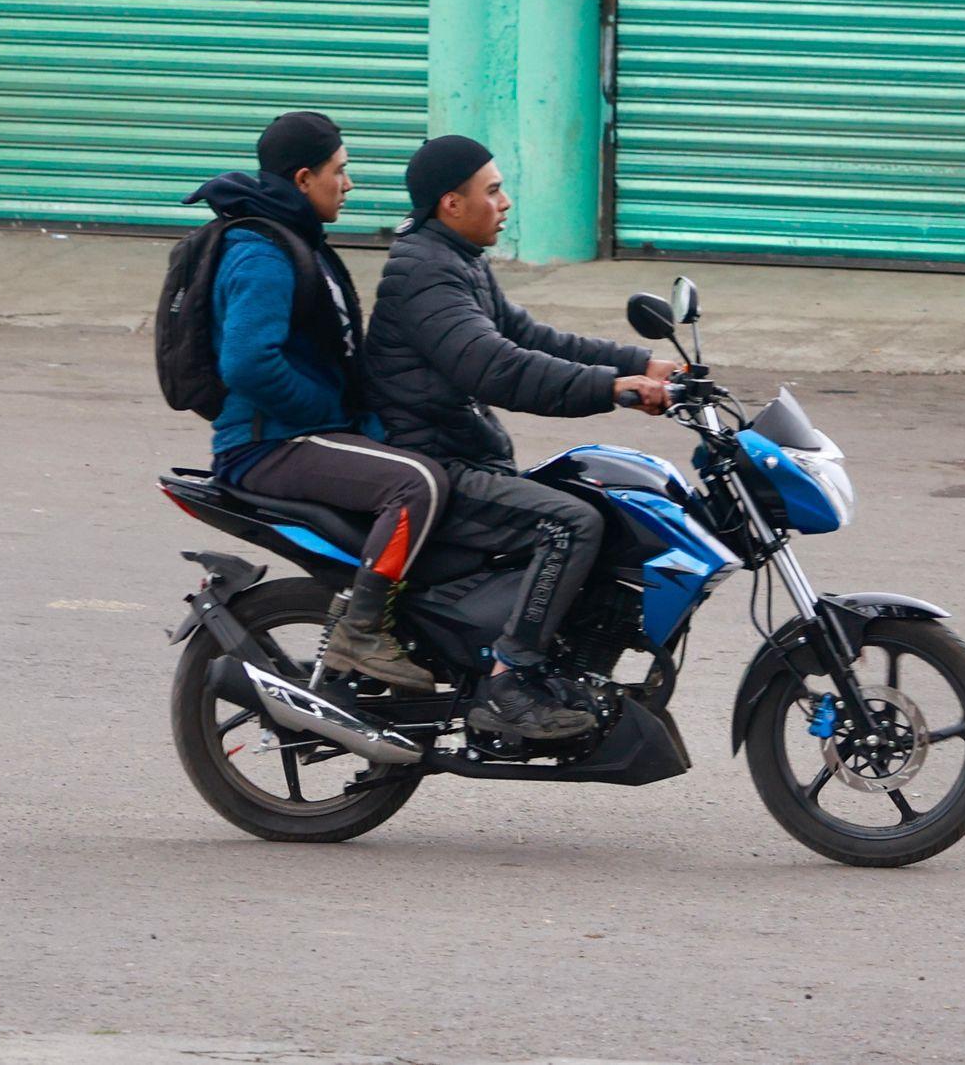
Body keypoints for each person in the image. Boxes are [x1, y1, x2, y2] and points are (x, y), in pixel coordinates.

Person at [362, 135, 673, 744]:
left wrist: (643, 363)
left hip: (467, 450)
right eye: (493, 190)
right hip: (439, 461)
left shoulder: (457, 261)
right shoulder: (423, 273)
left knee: (603, 504)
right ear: (452, 203)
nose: (505, 202)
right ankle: (510, 678)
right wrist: (616, 389)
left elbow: (534, 339)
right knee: (572, 523)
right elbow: (496, 366)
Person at [197, 110, 448, 694]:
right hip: (268, 444)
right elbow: (247, 362)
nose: (350, 184)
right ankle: (361, 632)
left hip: (291, 433)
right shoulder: (261, 252)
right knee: (417, 484)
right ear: (305, 177)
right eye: (341, 170)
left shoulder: (290, 237)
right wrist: (322, 412)